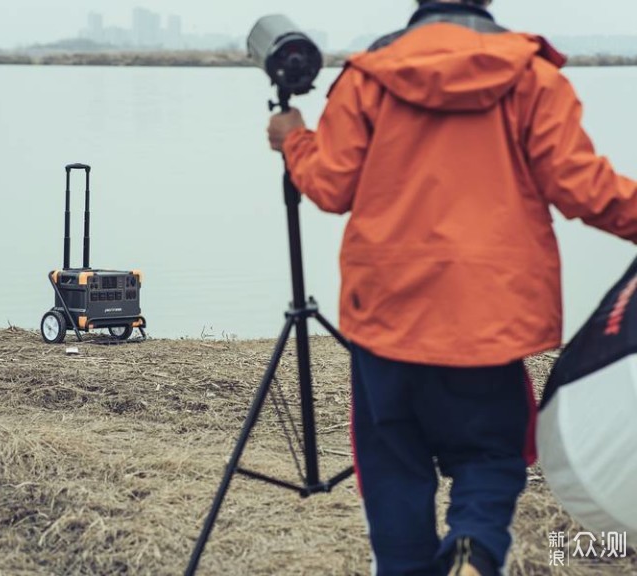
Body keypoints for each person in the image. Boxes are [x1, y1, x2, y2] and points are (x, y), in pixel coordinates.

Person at [267, 1, 637, 575]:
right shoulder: (531, 77)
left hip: (385, 319)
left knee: (393, 470)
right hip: (488, 321)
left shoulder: (367, 79)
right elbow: (584, 189)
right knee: (491, 454)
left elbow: (329, 186)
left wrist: (295, 140)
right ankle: (472, 548)